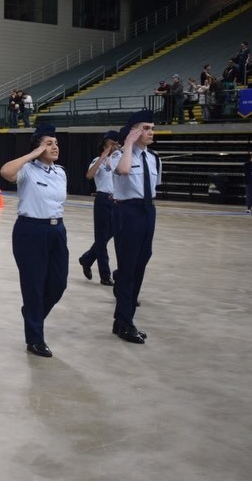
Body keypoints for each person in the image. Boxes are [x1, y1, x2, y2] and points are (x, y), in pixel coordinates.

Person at [0, 123, 67, 358]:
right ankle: (35, 339)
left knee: (58, 284)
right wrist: (32, 155)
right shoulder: (27, 170)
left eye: (56, 143)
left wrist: (44, 149)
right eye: (49, 143)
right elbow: (6, 172)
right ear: (37, 148)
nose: (55, 147)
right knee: (34, 286)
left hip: (57, 230)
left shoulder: (61, 172)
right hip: (30, 230)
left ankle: (31, 313)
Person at [110, 110, 160, 345]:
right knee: (128, 269)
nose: (151, 132)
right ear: (134, 131)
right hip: (127, 212)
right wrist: (129, 142)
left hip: (148, 211)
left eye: (152, 128)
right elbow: (124, 170)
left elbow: (154, 186)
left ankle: (122, 319)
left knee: (140, 265)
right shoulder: (119, 155)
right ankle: (125, 323)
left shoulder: (154, 158)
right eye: (146, 128)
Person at [79, 130, 119, 286]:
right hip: (103, 200)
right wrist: (104, 155)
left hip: (117, 201)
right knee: (101, 238)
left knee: (110, 235)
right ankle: (105, 275)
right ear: (104, 144)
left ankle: (87, 259)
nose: (113, 146)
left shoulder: (120, 160)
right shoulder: (98, 160)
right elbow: (89, 175)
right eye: (110, 143)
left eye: (116, 143)